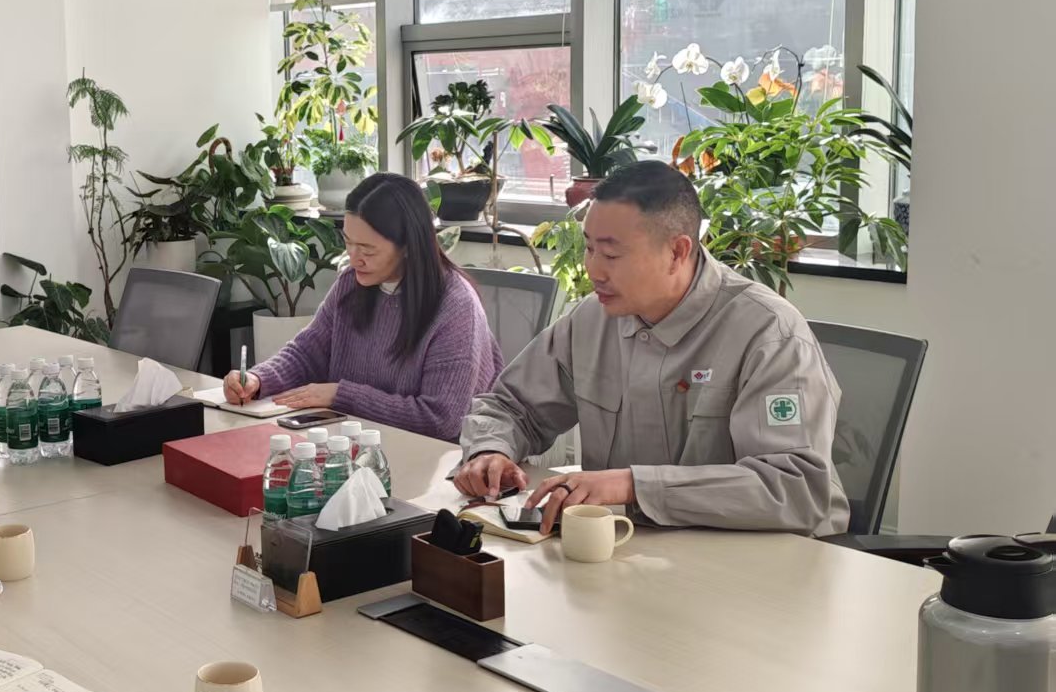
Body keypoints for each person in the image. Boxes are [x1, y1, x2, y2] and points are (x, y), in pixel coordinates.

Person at [453, 161, 848, 536]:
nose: (593, 270)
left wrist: (633, 486)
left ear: (677, 252)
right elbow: (512, 407)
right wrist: (490, 451)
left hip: (764, 564)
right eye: (589, 249)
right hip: (633, 549)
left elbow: (795, 488)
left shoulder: (768, 333)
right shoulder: (592, 320)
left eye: (611, 254)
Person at [226, 173, 504, 441]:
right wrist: (258, 379)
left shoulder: (456, 306)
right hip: (354, 443)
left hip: (438, 458)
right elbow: (308, 352)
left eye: (368, 250)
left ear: (408, 246)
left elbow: (441, 419)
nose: (354, 258)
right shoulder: (351, 283)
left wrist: (341, 396)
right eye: (348, 243)